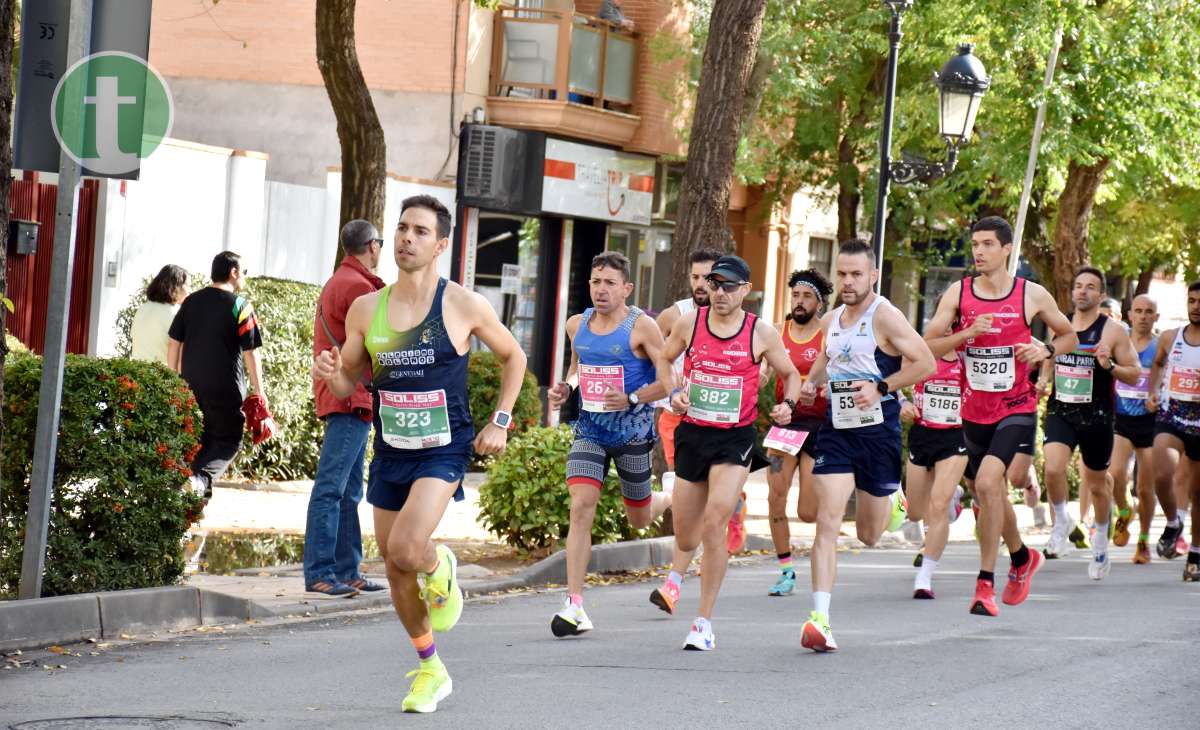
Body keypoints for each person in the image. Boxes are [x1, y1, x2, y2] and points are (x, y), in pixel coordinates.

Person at [312, 195, 527, 713]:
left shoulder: (462, 305)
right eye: (403, 229)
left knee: (409, 547)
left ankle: (440, 564)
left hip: (444, 449)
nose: (407, 239)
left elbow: (513, 356)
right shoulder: (368, 308)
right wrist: (331, 374)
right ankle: (431, 667)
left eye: (421, 232)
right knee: (393, 564)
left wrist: (501, 419)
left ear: (441, 245)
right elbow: (348, 381)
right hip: (391, 450)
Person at [924, 216, 1077, 617]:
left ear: (1007, 249)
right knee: (986, 493)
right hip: (974, 411)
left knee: (992, 482)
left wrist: (1045, 350)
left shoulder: (1032, 294)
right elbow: (930, 345)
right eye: (975, 243)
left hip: (1017, 406)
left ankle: (985, 584)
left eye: (988, 244)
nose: (978, 251)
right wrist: (967, 334)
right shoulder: (959, 293)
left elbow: (1069, 336)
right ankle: (1022, 556)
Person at [796, 239, 935, 651]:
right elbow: (827, 357)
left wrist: (882, 387)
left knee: (871, 535)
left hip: (878, 434)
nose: (848, 282)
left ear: (873, 275)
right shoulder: (831, 319)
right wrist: (810, 383)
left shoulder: (886, 317)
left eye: (857, 274)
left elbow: (926, 362)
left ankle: (894, 503)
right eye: (842, 274)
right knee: (827, 519)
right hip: (837, 431)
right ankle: (819, 617)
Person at [658, 254, 800, 650]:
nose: (719, 293)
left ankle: (703, 623)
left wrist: (787, 404)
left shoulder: (761, 333)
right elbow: (665, 359)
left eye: (729, 286)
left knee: (715, 521)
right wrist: (673, 392)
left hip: (734, 439)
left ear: (746, 291)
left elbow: (791, 373)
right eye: (714, 285)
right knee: (686, 536)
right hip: (693, 435)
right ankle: (680, 572)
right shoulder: (690, 323)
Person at [546, 252, 669, 637]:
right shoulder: (575, 324)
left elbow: (670, 381)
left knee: (640, 518)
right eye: (596, 281)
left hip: (632, 432)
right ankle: (575, 604)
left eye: (610, 283)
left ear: (627, 288)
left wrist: (632, 398)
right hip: (591, 430)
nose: (601, 289)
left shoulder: (642, 327)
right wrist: (566, 388)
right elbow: (576, 367)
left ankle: (670, 497)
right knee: (581, 507)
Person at [1038, 267, 1140, 581]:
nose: (1083, 292)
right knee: (1053, 468)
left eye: (1090, 288)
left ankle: (1100, 544)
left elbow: (1134, 372)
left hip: (1097, 414)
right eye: (1079, 286)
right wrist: (1044, 378)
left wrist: (1109, 365)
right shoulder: (1060, 324)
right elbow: (1049, 355)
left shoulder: (1113, 331)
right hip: (1061, 409)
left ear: (1100, 295)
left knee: (1097, 485)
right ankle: (1061, 523)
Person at [303, 220, 387, 598]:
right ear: (372, 245)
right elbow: (381, 338)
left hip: (350, 396)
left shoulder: (343, 280)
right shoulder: (357, 286)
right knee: (332, 489)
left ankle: (348, 570)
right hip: (349, 396)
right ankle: (321, 573)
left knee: (349, 490)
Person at [648, 248, 727, 616]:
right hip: (678, 419)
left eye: (707, 278)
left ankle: (677, 584)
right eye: (695, 277)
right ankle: (674, 584)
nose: (700, 284)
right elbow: (653, 356)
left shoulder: (737, 322)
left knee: (707, 511)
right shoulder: (674, 315)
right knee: (686, 503)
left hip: (720, 425)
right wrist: (654, 391)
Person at [168, 251, 266, 500]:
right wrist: (260, 391)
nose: (243, 277)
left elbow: (173, 341)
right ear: (233, 272)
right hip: (227, 390)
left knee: (200, 442)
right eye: (243, 272)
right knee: (229, 441)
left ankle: (189, 497)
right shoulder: (240, 306)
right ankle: (198, 481)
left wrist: (173, 380)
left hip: (191, 386)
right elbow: (251, 353)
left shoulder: (190, 302)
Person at [763, 268, 833, 596]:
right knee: (775, 495)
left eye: (807, 296)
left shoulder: (828, 334)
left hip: (819, 428)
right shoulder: (778, 332)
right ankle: (786, 571)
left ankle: (825, 554)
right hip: (786, 425)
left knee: (807, 511)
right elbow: (764, 369)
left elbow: (838, 375)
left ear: (819, 302)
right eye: (795, 295)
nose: (800, 302)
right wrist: (761, 379)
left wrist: (821, 390)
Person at [899, 336, 968, 599]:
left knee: (938, 505)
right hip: (923, 433)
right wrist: (902, 402)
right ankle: (954, 495)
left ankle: (924, 577)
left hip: (956, 436)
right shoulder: (917, 350)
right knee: (916, 512)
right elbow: (889, 379)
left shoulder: (967, 355)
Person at [1147, 282, 1200, 578]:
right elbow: (1157, 364)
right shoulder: (1170, 337)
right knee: (1163, 470)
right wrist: (1153, 391)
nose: (1196, 306)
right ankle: (1172, 522)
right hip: (1173, 413)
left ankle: (1195, 555)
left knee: (1197, 493)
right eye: (1192, 300)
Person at [1108, 294, 1160, 563]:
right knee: (1115, 475)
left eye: (1148, 311)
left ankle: (1143, 540)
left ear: (1156, 317)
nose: (1142, 316)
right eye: (1138, 311)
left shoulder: (1161, 345)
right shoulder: (1121, 339)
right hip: (1123, 417)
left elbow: (1169, 378)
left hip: (1151, 422)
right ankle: (1124, 511)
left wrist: (1157, 396)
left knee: (1145, 488)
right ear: (1129, 315)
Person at [132, 265, 190, 365]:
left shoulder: (142, 308)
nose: (190, 290)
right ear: (177, 286)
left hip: (138, 372)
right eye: (188, 285)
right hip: (162, 375)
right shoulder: (177, 312)